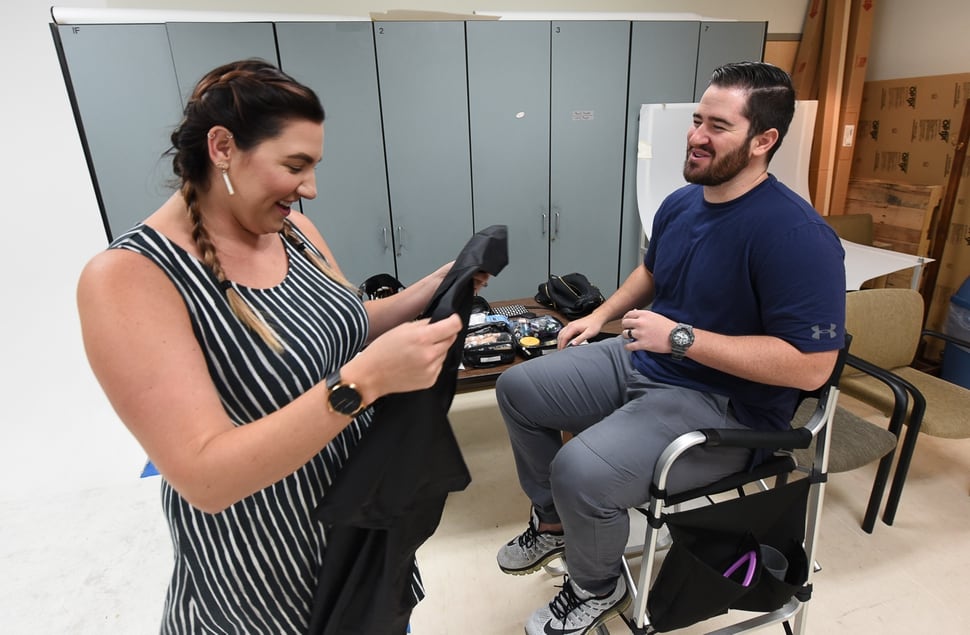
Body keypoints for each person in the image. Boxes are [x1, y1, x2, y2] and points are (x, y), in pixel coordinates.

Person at [76, 59, 485, 634]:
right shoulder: (130, 278)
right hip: (263, 571)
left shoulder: (294, 232)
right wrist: (363, 382)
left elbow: (340, 326)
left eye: (313, 167)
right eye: (295, 166)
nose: (310, 188)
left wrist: (434, 288)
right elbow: (205, 477)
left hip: (361, 538)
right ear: (222, 147)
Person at [494, 61, 846, 635]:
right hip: (646, 357)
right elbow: (653, 272)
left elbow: (812, 368)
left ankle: (594, 587)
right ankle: (554, 524)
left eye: (718, 127)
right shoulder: (683, 203)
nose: (696, 136)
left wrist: (681, 338)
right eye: (697, 119)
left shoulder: (797, 237)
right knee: (518, 388)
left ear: (763, 141)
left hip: (726, 405)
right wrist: (599, 316)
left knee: (579, 470)